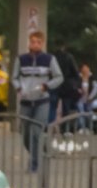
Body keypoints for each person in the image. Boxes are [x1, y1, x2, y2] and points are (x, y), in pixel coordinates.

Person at [12, 30, 63, 173]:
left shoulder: (49, 59)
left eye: (38, 42)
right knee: (26, 134)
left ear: (42, 44)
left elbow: (59, 77)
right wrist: (18, 88)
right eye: (32, 41)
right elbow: (14, 77)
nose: (35, 45)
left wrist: (46, 86)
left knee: (36, 131)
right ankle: (39, 151)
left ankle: (34, 163)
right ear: (29, 42)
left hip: (42, 100)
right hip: (26, 101)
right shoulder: (21, 59)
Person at [53, 43, 80, 128]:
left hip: (55, 84)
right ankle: (65, 128)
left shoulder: (53, 57)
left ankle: (50, 126)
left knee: (52, 106)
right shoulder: (69, 57)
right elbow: (75, 72)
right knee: (66, 108)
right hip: (67, 85)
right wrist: (76, 84)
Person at [75, 62, 97, 131]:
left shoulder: (92, 77)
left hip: (90, 99)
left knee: (89, 113)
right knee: (81, 112)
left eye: (86, 68)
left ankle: (89, 127)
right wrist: (78, 90)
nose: (85, 70)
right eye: (84, 68)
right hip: (80, 99)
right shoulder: (79, 77)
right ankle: (82, 127)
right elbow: (76, 86)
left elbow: (96, 88)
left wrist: (90, 97)